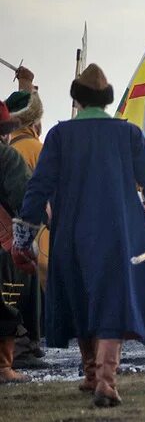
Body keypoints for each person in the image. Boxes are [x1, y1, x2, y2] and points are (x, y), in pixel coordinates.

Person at [11, 64, 145, 406]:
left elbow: (37, 189)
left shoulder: (59, 135)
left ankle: (93, 374)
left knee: (82, 299)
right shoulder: (129, 134)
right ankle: (104, 379)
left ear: (77, 98)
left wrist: (23, 239)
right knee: (112, 303)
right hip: (122, 232)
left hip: (72, 233)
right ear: (106, 100)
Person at [3, 66, 46, 368]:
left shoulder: (12, 147)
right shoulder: (33, 149)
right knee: (21, 293)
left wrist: (27, 84)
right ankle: (21, 348)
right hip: (20, 233)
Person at [0, 101, 31, 383]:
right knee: (5, 302)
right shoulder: (8, 157)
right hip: (3, 241)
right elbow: (24, 198)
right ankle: (3, 366)